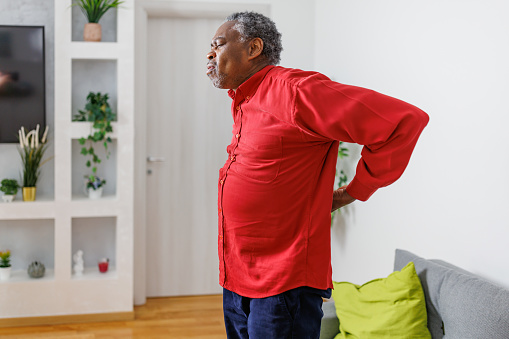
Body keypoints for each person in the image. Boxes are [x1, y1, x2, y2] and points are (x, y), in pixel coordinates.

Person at [206, 11, 429, 339]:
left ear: (253, 48)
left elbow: (403, 122)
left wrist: (353, 191)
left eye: (219, 44)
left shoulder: (295, 91)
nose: (210, 53)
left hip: (283, 286)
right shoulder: (245, 101)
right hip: (237, 280)